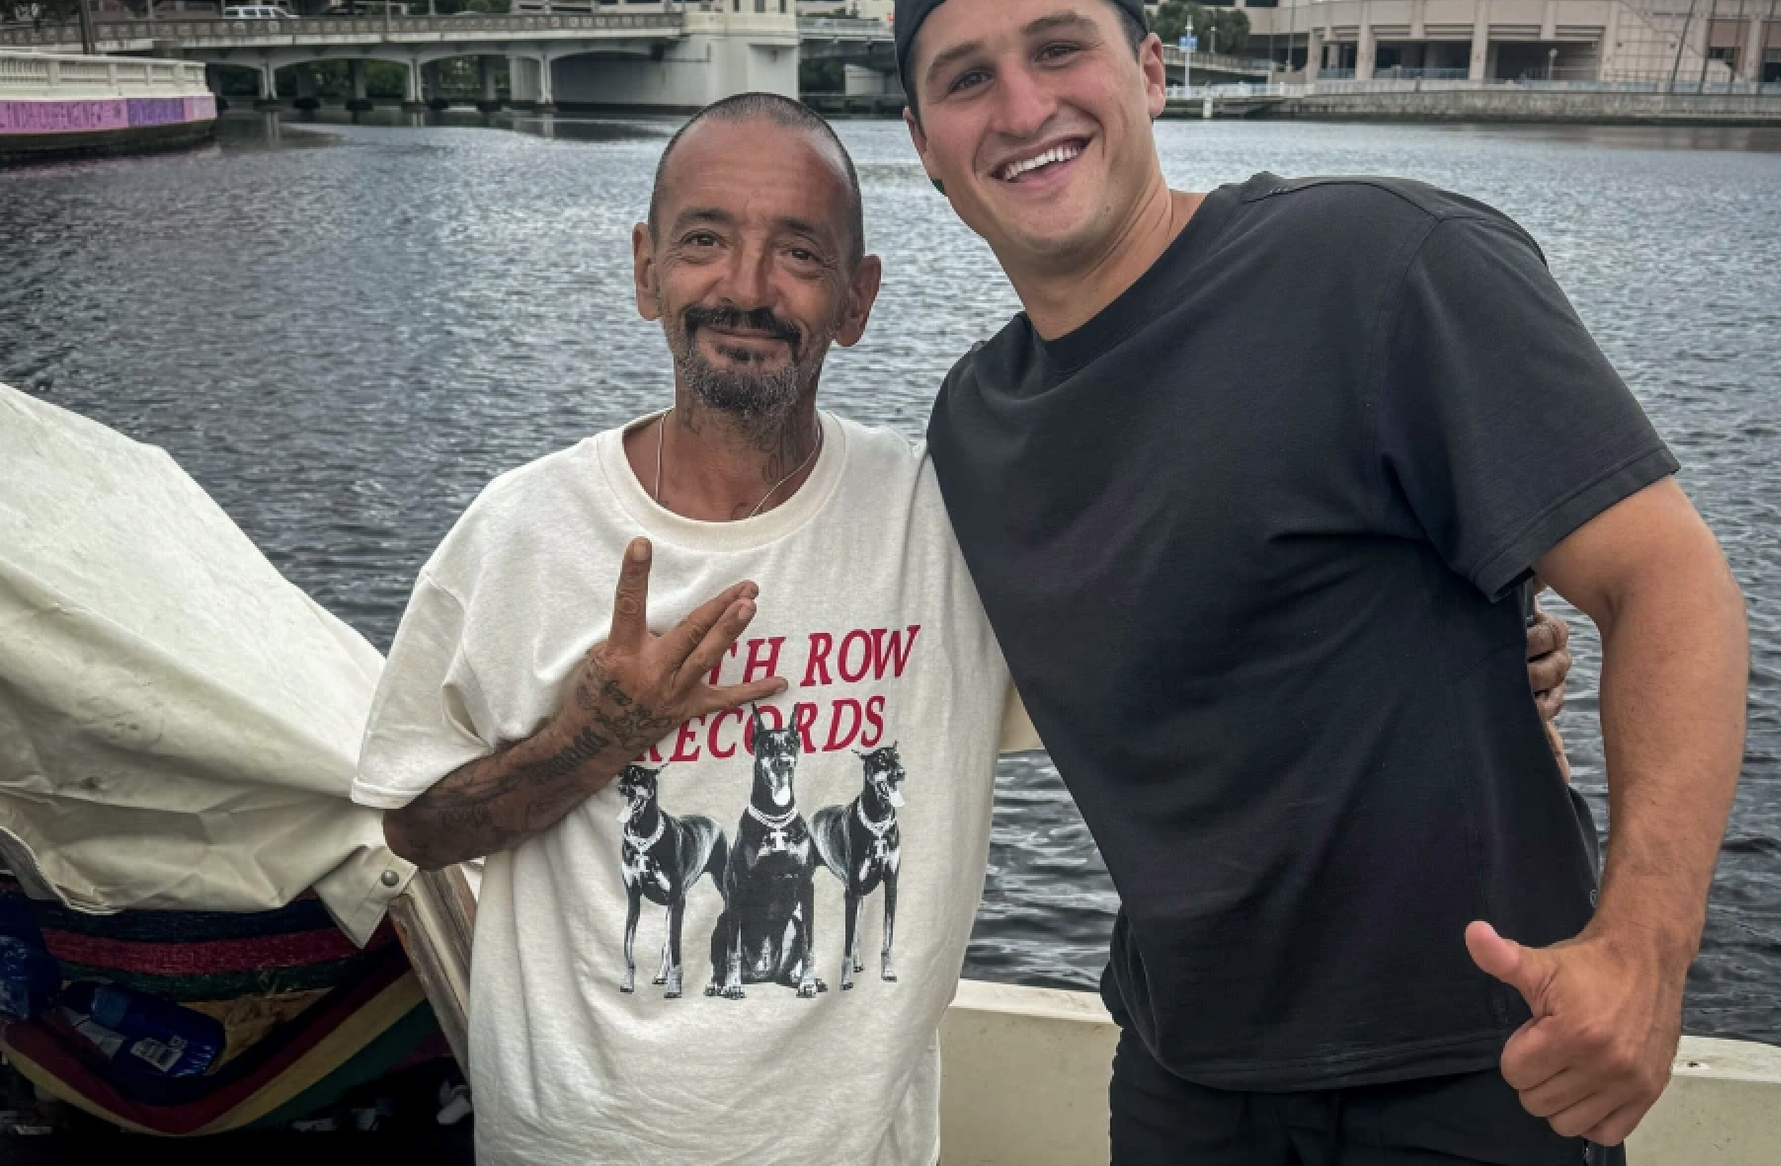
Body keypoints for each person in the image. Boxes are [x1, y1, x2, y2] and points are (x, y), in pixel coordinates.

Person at [351, 90, 1577, 1165]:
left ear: (857, 300)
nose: (745, 287)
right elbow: (416, 818)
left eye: (799, 254)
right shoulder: (519, 534)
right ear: (643, 270)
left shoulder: (943, 520)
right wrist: (592, 738)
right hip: (582, 1144)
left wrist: (1442, 643)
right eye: (705, 242)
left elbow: (1191, 650)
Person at [897, 0, 1748, 1166]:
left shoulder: (1384, 264)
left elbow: (1668, 582)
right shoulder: (973, 420)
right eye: (965, 77)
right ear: (920, 139)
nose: (1023, 108)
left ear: (1150, 68)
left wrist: (1642, 946)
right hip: (1186, 1072)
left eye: (1059, 48)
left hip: (1474, 1058)